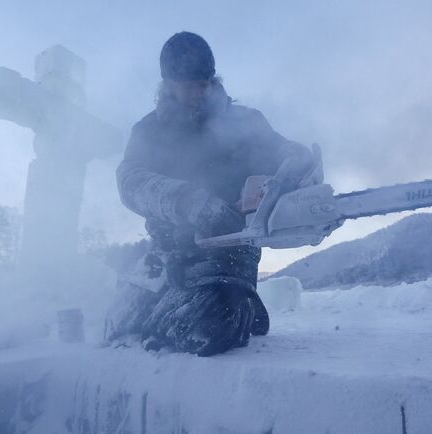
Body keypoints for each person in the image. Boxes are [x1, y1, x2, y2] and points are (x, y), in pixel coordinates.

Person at [107, 31, 313, 356]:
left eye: (204, 82)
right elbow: (129, 181)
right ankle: (161, 314)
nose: (198, 91)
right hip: (166, 254)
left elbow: (279, 150)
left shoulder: (245, 123)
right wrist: (188, 201)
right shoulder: (148, 132)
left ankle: (233, 307)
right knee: (116, 323)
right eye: (188, 84)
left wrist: (297, 157)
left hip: (228, 255)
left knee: (210, 324)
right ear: (168, 83)